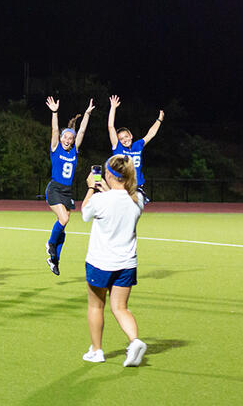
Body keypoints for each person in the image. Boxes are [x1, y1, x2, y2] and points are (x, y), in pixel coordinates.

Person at [81, 154, 147, 367]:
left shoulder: (100, 200)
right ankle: (134, 341)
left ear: (108, 174)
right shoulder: (138, 199)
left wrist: (91, 187)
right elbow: (120, 200)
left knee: (96, 307)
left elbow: (84, 213)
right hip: (127, 263)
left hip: (100, 262)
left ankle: (97, 350)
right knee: (120, 308)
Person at [44, 96, 95, 276]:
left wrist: (87, 114)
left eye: (70, 137)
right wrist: (55, 112)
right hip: (54, 189)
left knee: (63, 226)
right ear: (61, 138)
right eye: (65, 136)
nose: (68, 139)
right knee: (63, 219)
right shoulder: (56, 147)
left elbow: (81, 131)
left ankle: (54, 259)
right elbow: (54, 128)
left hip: (67, 191)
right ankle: (50, 244)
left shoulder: (74, 150)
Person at [107, 95, 164, 199]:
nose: (124, 140)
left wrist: (159, 120)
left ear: (131, 136)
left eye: (126, 137)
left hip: (137, 186)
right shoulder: (118, 147)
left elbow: (150, 134)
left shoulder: (138, 145)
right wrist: (113, 108)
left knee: (135, 214)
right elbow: (111, 127)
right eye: (121, 139)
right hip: (122, 186)